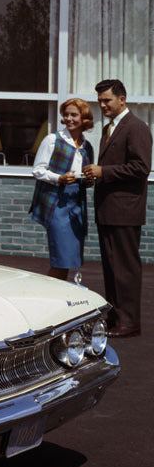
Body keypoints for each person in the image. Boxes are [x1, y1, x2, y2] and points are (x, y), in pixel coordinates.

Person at [82, 79, 152, 338]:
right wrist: (96, 176)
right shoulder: (110, 128)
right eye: (100, 101)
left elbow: (141, 167)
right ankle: (116, 317)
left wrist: (104, 171)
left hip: (125, 211)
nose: (102, 105)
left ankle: (130, 322)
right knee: (111, 267)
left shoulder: (136, 127)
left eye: (107, 100)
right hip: (109, 209)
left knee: (125, 268)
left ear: (122, 99)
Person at [29, 98, 95, 280]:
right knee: (61, 259)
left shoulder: (87, 146)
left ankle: (59, 294)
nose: (69, 118)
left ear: (84, 118)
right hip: (57, 204)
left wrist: (89, 180)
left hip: (77, 204)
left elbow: (87, 178)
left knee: (70, 259)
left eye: (74, 115)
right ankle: (50, 296)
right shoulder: (52, 140)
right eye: (66, 115)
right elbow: (37, 170)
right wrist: (59, 178)